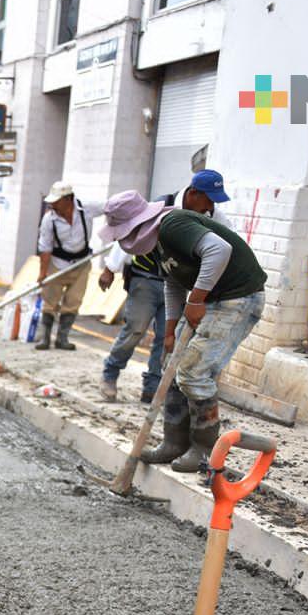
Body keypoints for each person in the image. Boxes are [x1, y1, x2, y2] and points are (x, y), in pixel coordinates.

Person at [99, 188, 267, 473]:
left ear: (136, 226)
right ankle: (174, 443)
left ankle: (204, 450)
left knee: (194, 372)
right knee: (173, 366)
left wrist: (197, 298)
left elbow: (219, 249)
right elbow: (173, 283)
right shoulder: (159, 243)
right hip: (215, 300)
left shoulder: (173, 225)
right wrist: (169, 331)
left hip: (239, 298)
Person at [94, 171, 229, 402]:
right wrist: (110, 268)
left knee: (165, 338)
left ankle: (152, 386)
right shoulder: (160, 206)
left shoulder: (214, 216)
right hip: (145, 278)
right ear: (193, 193)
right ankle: (110, 373)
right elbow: (129, 235)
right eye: (208, 199)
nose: (210, 206)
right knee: (135, 329)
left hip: (177, 284)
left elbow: (228, 242)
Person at [34, 180, 93, 351]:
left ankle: (62, 338)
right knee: (50, 301)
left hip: (81, 264)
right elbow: (44, 247)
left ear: (68, 199)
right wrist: (42, 273)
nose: (52, 205)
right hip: (57, 264)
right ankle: (44, 338)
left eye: (56, 201)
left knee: (73, 302)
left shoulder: (86, 209)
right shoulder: (49, 219)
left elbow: (110, 207)